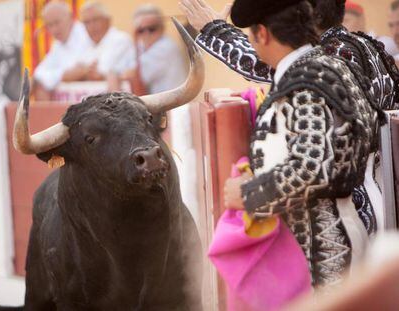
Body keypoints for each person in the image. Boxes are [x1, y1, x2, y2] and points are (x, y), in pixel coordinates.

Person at [180, 0, 399, 237]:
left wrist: (248, 195)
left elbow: (311, 167)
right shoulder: (362, 47)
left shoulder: (321, 65)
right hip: (375, 202)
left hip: (337, 225)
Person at [202, 0, 379, 287]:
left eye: (250, 36)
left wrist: (249, 194)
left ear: (263, 33)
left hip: (320, 253)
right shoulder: (327, 66)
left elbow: (311, 166)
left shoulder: (306, 80)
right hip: (335, 234)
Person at [108, 4, 186, 95]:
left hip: (173, 105)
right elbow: (114, 71)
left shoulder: (166, 47)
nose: (146, 33)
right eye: (141, 30)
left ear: (162, 28)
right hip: (157, 104)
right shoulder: (140, 46)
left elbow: (135, 76)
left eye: (152, 29)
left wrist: (119, 76)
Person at [33, 1, 91, 100]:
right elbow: (38, 74)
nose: (54, 29)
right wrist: (62, 75)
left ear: (70, 17)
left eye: (57, 22)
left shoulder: (86, 33)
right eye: (49, 25)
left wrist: (55, 76)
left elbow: (81, 70)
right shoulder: (58, 44)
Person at [62, 1, 134, 82]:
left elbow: (102, 71)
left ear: (107, 21)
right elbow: (65, 75)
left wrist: (82, 72)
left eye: (95, 20)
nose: (91, 26)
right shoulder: (85, 43)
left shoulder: (121, 40)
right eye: (87, 22)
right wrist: (84, 71)